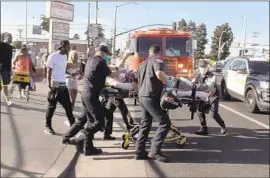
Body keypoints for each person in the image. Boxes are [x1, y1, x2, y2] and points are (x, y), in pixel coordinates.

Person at [62, 45, 120, 156]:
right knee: (98, 122)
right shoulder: (101, 61)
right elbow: (111, 74)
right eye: (106, 54)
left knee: (84, 119)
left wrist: (114, 69)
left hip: (85, 93)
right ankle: (80, 136)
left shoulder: (91, 60)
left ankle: (84, 146)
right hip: (92, 95)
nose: (106, 56)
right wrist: (119, 72)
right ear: (103, 53)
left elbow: (103, 70)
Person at [135, 44, 171, 162]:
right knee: (164, 122)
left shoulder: (142, 64)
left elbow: (136, 81)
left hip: (142, 96)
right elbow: (159, 74)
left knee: (145, 123)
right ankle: (155, 151)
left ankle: (139, 151)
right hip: (151, 96)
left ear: (149, 52)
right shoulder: (157, 60)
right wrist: (167, 83)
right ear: (158, 52)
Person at [44, 40, 76, 135]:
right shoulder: (53, 56)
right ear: (63, 46)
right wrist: (49, 83)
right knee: (52, 106)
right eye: (68, 47)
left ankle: (74, 127)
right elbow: (49, 70)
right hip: (55, 84)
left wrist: (72, 73)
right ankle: (47, 126)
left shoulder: (65, 56)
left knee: (68, 107)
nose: (69, 49)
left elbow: (63, 69)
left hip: (63, 84)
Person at [193, 59, 227, 135]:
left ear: (207, 68)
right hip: (203, 96)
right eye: (201, 67)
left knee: (213, 114)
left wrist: (206, 97)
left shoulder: (212, 76)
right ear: (198, 68)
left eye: (204, 67)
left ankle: (223, 126)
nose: (203, 69)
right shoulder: (198, 76)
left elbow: (210, 88)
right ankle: (203, 128)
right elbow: (193, 84)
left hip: (213, 96)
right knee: (199, 111)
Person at [0, 33, 13, 106]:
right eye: (9, 37)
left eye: (11, 37)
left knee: (5, 85)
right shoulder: (1, 44)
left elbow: (10, 59)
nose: (10, 38)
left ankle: (7, 100)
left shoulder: (10, 47)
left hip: (6, 69)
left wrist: (11, 69)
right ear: (4, 37)